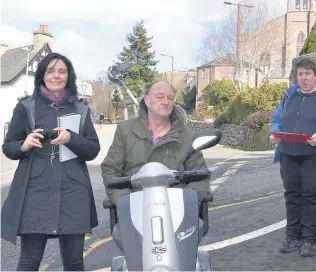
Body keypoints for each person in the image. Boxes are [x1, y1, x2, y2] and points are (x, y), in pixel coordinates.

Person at [1, 53, 100, 271]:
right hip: (34, 192)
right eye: (50, 71)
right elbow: (8, 147)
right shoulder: (26, 107)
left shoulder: (81, 110)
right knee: (29, 262)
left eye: (62, 71)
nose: (56, 76)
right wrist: (24, 145)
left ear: (69, 76)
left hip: (73, 193)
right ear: (42, 75)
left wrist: (71, 139)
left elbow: (93, 149)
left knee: (74, 263)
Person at [101, 80, 211, 248]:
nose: (166, 101)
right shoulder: (125, 130)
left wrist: (185, 202)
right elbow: (110, 170)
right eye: (159, 96)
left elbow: (201, 176)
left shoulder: (187, 137)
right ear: (147, 100)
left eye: (170, 98)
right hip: (136, 212)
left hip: (176, 214)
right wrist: (125, 202)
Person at [270, 58, 316, 257]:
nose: (303, 78)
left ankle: (309, 240)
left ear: (315, 75)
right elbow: (277, 119)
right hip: (289, 155)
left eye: (308, 74)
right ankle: (292, 236)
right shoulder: (289, 95)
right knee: (292, 196)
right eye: (300, 74)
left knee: (312, 197)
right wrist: (275, 133)